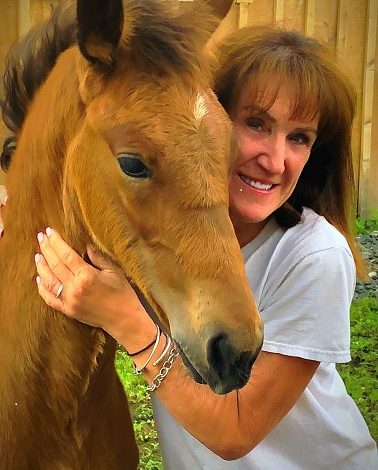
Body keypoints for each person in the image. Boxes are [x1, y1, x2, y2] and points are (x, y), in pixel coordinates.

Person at [2, 25, 377, 469]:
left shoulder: (316, 254)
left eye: (300, 137)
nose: (276, 160)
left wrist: (128, 321)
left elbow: (235, 433)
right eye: (256, 124)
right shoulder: (168, 223)